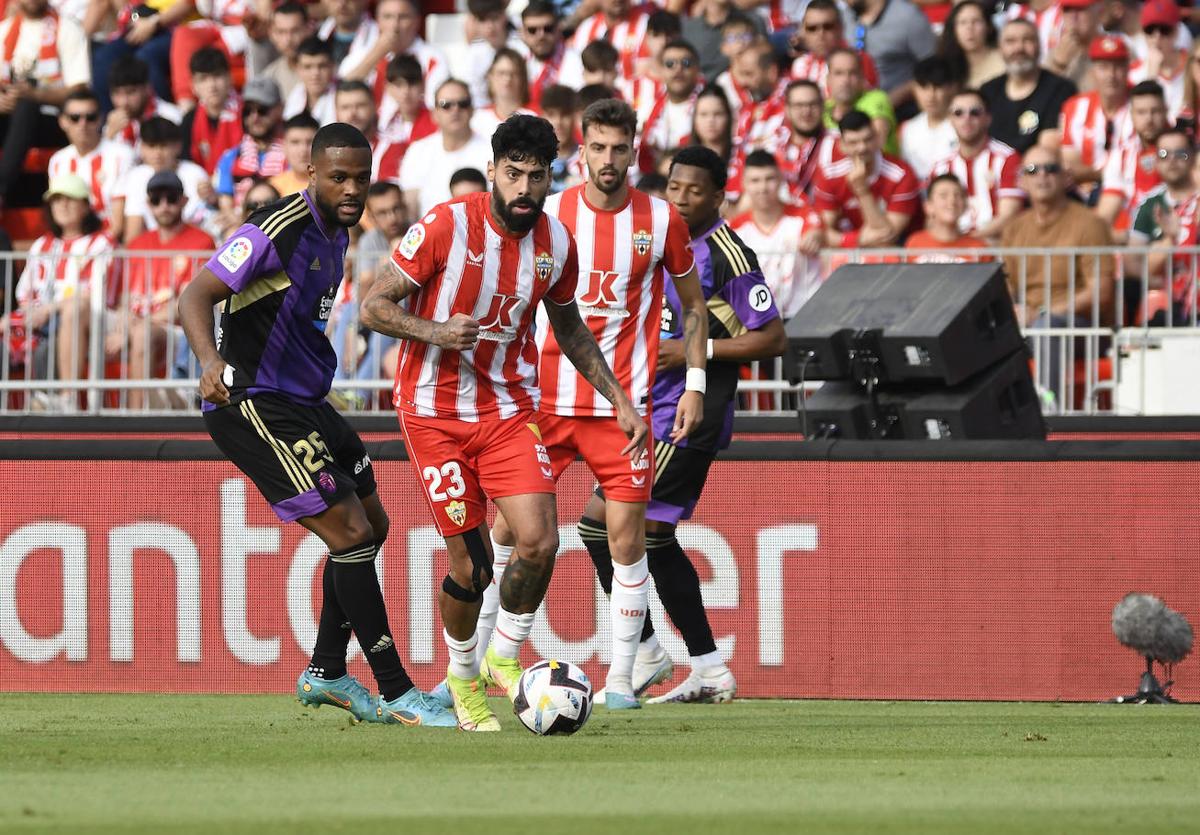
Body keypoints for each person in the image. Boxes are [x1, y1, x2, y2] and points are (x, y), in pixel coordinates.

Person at [359, 114, 651, 731]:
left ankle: (500, 656)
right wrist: (436, 332)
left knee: (540, 541)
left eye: (535, 176)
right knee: (470, 568)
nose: (523, 187)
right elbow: (374, 306)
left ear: (551, 178)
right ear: (492, 170)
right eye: (512, 173)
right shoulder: (445, 224)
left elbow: (568, 326)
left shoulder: (556, 244)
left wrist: (618, 397)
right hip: (433, 412)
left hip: (507, 410)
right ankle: (463, 679)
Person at [177, 122, 455, 728]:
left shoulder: (338, 233)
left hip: (306, 401)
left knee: (372, 525)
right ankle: (396, 691)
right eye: (339, 177)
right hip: (251, 400)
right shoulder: (278, 228)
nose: (352, 188)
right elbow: (194, 296)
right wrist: (209, 362)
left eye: (362, 176)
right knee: (350, 533)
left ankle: (328, 671)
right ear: (311, 174)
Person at [481, 99, 707, 710]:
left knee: (624, 541)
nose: (608, 160)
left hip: (621, 409)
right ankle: (478, 662)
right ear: (582, 151)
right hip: (543, 402)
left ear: (635, 151)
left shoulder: (661, 221)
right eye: (598, 148)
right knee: (505, 530)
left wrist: (695, 383)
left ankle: (620, 680)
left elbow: (692, 308)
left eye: (619, 148)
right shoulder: (548, 217)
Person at [582, 144, 786, 704]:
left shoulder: (728, 254)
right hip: (651, 406)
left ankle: (646, 652)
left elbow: (771, 337)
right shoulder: (661, 239)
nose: (682, 197)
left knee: (605, 527)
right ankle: (709, 667)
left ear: (719, 196)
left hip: (689, 415)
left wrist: (698, 351)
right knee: (652, 538)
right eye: (675, 187)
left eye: (695, 190)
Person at [1000, 144, 1115, 397]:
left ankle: (1050, 411)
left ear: (1066, 177)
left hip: (1081, 327)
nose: (1041, 175)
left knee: (1046, 326)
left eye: (1050, 169)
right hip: (1029, 323)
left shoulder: (1090, 223)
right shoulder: (1014, 229)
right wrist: (1014, 314)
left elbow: (1100, 292)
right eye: (1032, 170)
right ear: (1021, 180)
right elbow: (1005, 290)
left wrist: (1042, 313)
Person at [116, 171, 215, 410]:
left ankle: (135, 419)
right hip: (139, 322)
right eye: (156, 200)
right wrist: (124, 325)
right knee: (83, 319)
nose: (164, 206)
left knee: (142, 334)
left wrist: (139, 324)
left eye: (171, 198)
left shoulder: (202, 241)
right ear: (148, 204)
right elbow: (124, 299)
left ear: (184, 201)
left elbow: (190, 302)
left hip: (181, 330)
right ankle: (70, 402)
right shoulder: (137, 244)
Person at [0, 0, 90, 207]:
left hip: (54, 121)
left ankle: (1, 188)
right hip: (10, 119)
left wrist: (35, 95)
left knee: (27, 105)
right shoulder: (4, 30)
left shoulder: (68, 29)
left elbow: (79, 88)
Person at [730, 150, 824, 319]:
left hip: (803, 317)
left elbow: (820, 232)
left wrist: (817, 236)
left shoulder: (804, 217)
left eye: (769, 179)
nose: (763, 188)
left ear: (781, 180)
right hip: (755, 321)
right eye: (755, 181)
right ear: (744, 184)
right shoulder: (734, 229)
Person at [812, 109, 922, 247]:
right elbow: (821, 233)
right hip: (849, 250)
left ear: (877, 138)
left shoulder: (901, 175)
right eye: (853, 142)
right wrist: (858, 240)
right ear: (842, 145)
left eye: (867, 139)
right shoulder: (829, 174)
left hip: (896, 253)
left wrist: (862, 190)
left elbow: (886, 240)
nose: (862, 147)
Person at [928, 88, 1024, 240]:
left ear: (988, 118)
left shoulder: (1008, 159)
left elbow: (1009, 215)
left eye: (975, 112)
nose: (966, 118)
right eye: (958, 113)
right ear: (950, 120)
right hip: (953, 249)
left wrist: (970, 243)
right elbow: (932, 217)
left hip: (997, 247)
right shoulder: (940, 166)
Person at [1129, 128, 1200, 322]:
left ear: (1193, 158)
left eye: (1181, 154)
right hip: (1172, 297)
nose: (1172, 161)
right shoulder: (1150, 204)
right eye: (1164, 154)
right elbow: (1135, 263)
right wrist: (1170, 238)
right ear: (1157, 161)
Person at [47, 89, 136, 238]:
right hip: (73, 244)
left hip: (111, 244)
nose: (83, 124)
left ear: (100, 119)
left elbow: (120, 224)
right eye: (75, 118)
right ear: (62, 122)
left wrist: (94, 248)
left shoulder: (121, 155)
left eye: (91, 117)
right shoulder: (58, 161)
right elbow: (58, 214)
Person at [398, 79, 493, 218]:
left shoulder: (492, 151)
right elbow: (410, 208)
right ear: (434, 114)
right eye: (446, 105)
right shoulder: (417, 152)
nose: (455, 110)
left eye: (463, 104)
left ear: (472, 110)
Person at [980, 19, 1076, 154]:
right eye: (1011, 41)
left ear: (1039, 46)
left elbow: (1049, 150)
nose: (1019, 48)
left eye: (1027, 40)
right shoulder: (988, 91)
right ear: (1000, 48)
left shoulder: (1060, 89)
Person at [1059, 35, 1135, 197]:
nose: (1111, 75)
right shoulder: (1074, 107)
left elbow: (1134, 165)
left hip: (1128, 191)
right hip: (1082, 194)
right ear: (1092, 71)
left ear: (1128, 68)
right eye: (1104, 67)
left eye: (1118, 67)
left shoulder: (1140, 106)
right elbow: (1070, 164)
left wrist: (1092, 175)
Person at [121, 117, 217, 242]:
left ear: (178, 146)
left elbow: (206, 221)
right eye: (152, 146)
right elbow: (133, 232)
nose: (157, 153)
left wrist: (213, 199)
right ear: (142, 148)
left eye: (163, 146)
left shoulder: (196, 174)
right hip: (155, 248)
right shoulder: (137, 177)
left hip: (193, 244)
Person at [1098, 80, 1168, 240]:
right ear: (1131, 114)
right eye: (1141, 112)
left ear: (1166, 110)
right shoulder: (1121, 156)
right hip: (1132, 239)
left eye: (1155, 111)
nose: (1149, 119)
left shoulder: (1183, 151)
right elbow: (1107, 211)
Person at [845, 0, 937, 109]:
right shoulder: (847, 14)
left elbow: (933, 67)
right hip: (856, 106)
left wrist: (899, 95)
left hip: (902, 108)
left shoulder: (908, 17)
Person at [214, 79, 286, 217]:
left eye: (262, 110)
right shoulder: (231, 158)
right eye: (248, 111)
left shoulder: (293, 155)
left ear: (280, 108)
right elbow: (226, 207)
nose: (255, 117)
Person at [789, 0, 880, 98]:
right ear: (803, 32)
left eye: (828, 27)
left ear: (841, 28)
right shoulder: (799, 66)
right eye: (812, 28)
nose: (820, 34)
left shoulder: (859, 60)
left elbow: (870, 104)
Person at [639, 39, 704, 174]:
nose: (678, 69)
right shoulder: (649, 104)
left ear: (697, 69)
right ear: (661, 70)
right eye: (670, 64)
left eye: (686, 63)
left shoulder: (707, 104)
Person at [769, 79, 841, 202]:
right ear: (787, 109)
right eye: (799, 105)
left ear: (822, 106)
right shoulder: (772, 145)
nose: (806, 111)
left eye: (812, 104)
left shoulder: (839, 143)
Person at [179, 47, 244, 175]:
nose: (212, 86)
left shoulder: (248, 113)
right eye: (203, 79)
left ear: (230, 78)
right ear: (193, 86)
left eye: (217, 76)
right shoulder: (189, 120)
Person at [824, 48, 898, 156]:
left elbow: (874, 146)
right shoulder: (823, 109)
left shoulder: (876, 98)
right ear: (828, 79)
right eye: (839, 73)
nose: (846, 80)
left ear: (861, 78)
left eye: (852, 73)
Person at [103, 55, 182, 153]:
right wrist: (109, 136)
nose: (124, 102)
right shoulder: (112, 124)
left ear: (147, 88)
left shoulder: (170, 116)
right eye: (117, 93)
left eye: (131, 92)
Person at [899, 56, 960, 181]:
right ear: (914, 89)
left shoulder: (964, 124)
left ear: (952, 88)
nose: (930, 95)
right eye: (924, 87)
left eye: (937, 87)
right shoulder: (907, 129)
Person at [905, 173, 989, 261]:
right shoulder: (914, 243)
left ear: (965, 205)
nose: (952, 201)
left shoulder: (979, 248)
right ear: (928, 206)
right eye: (943, 195)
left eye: (958, 195)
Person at [1128, 0, 1187, 119]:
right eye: (1150, 30)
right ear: (1143, 34)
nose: (1157, 37)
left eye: (1165, 30)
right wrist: (1150, 78)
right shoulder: (1132, 73)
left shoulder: (1194, 65)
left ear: (1176, 32)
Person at [937, 0, 1004, 89]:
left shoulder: (1003, 60)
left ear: (989, 27)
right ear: (953, 30)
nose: (969, 28)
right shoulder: (944, 64)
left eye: (976, 21)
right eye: (962, 22)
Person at [470, 48, 536, 138]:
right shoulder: (477, 119)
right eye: (501, 73)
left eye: (514, 73)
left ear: (523, 79)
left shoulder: (536, 116)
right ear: (490, 77)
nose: (507, 79)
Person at [1042, 0, 1104, 92]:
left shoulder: (1115, 47)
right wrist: (1058, 65)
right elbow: (1040, 100)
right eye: (1067, 10)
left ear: (1099, 11)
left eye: (1080, 9)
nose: (1073, 17)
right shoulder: (1054, 56)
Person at [260, 2, 310, 102]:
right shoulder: (269, 77)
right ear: (272, 34)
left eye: (295, 31)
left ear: (308, 29)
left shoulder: (326, 71)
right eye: (281, 32)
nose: (288, 39)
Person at [284, 36, 336, 124]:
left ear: (332, 67)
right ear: (297, 69)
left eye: (322, 66)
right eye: (307, 67)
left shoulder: (344, 98)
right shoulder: (295, 95)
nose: (315, 73)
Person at [542, 84, 584, 193]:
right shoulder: (532, 161)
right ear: (542, 116)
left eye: (565, 114)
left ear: (575, 116)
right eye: (551, 115)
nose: (558, 122)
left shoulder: (587, 160)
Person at [269, 113, 319, 196]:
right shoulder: (274, 188)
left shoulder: (330, 186)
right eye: (295, 142)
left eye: (310, 142)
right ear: (284, 146)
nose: (303, 150)